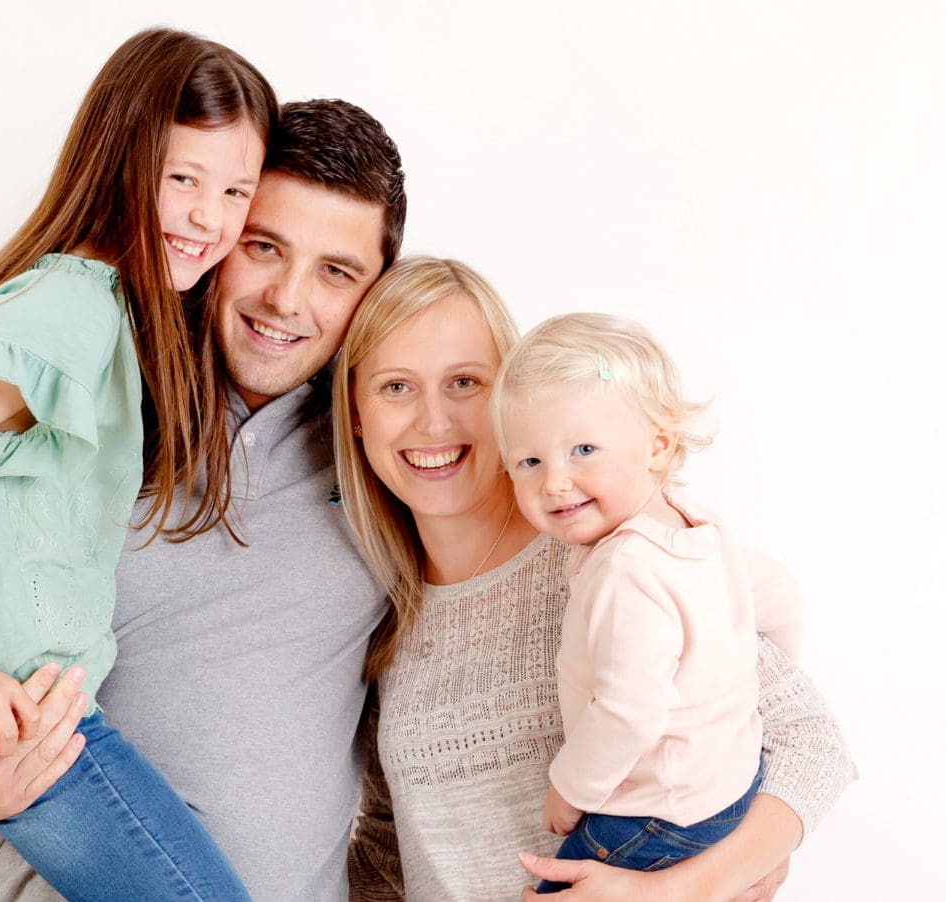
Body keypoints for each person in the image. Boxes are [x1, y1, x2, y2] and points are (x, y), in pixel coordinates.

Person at [0, 98, 408, 901]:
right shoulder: (81, 411)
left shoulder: (388, 459)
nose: (287, 299)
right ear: (217, 234)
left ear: (374, 290)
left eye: (337, 271)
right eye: (264, 248)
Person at [0, 28, 275, 901]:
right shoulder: (73, 305)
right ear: (119, 157)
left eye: (235, 192)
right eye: (181, 178)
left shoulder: (109, 312)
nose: (207, 218)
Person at [333, 257, 854, 901]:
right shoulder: (376, 607)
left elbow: (812, 745)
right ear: (355, 412)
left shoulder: (609, 560)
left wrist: (684, 890)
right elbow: (388, 842)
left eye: (465, 382)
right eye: (395, 387)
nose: (434, 422)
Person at [491, 313, 802, 893]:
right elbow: (779, 592)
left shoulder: (624, 568)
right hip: (733, 786)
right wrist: (742, 678)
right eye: (530, 462)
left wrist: (571, 788)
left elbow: (629, 710)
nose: (555, 482)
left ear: (658, 445)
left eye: (583, 449)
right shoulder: (701, 529)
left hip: (659, 809)